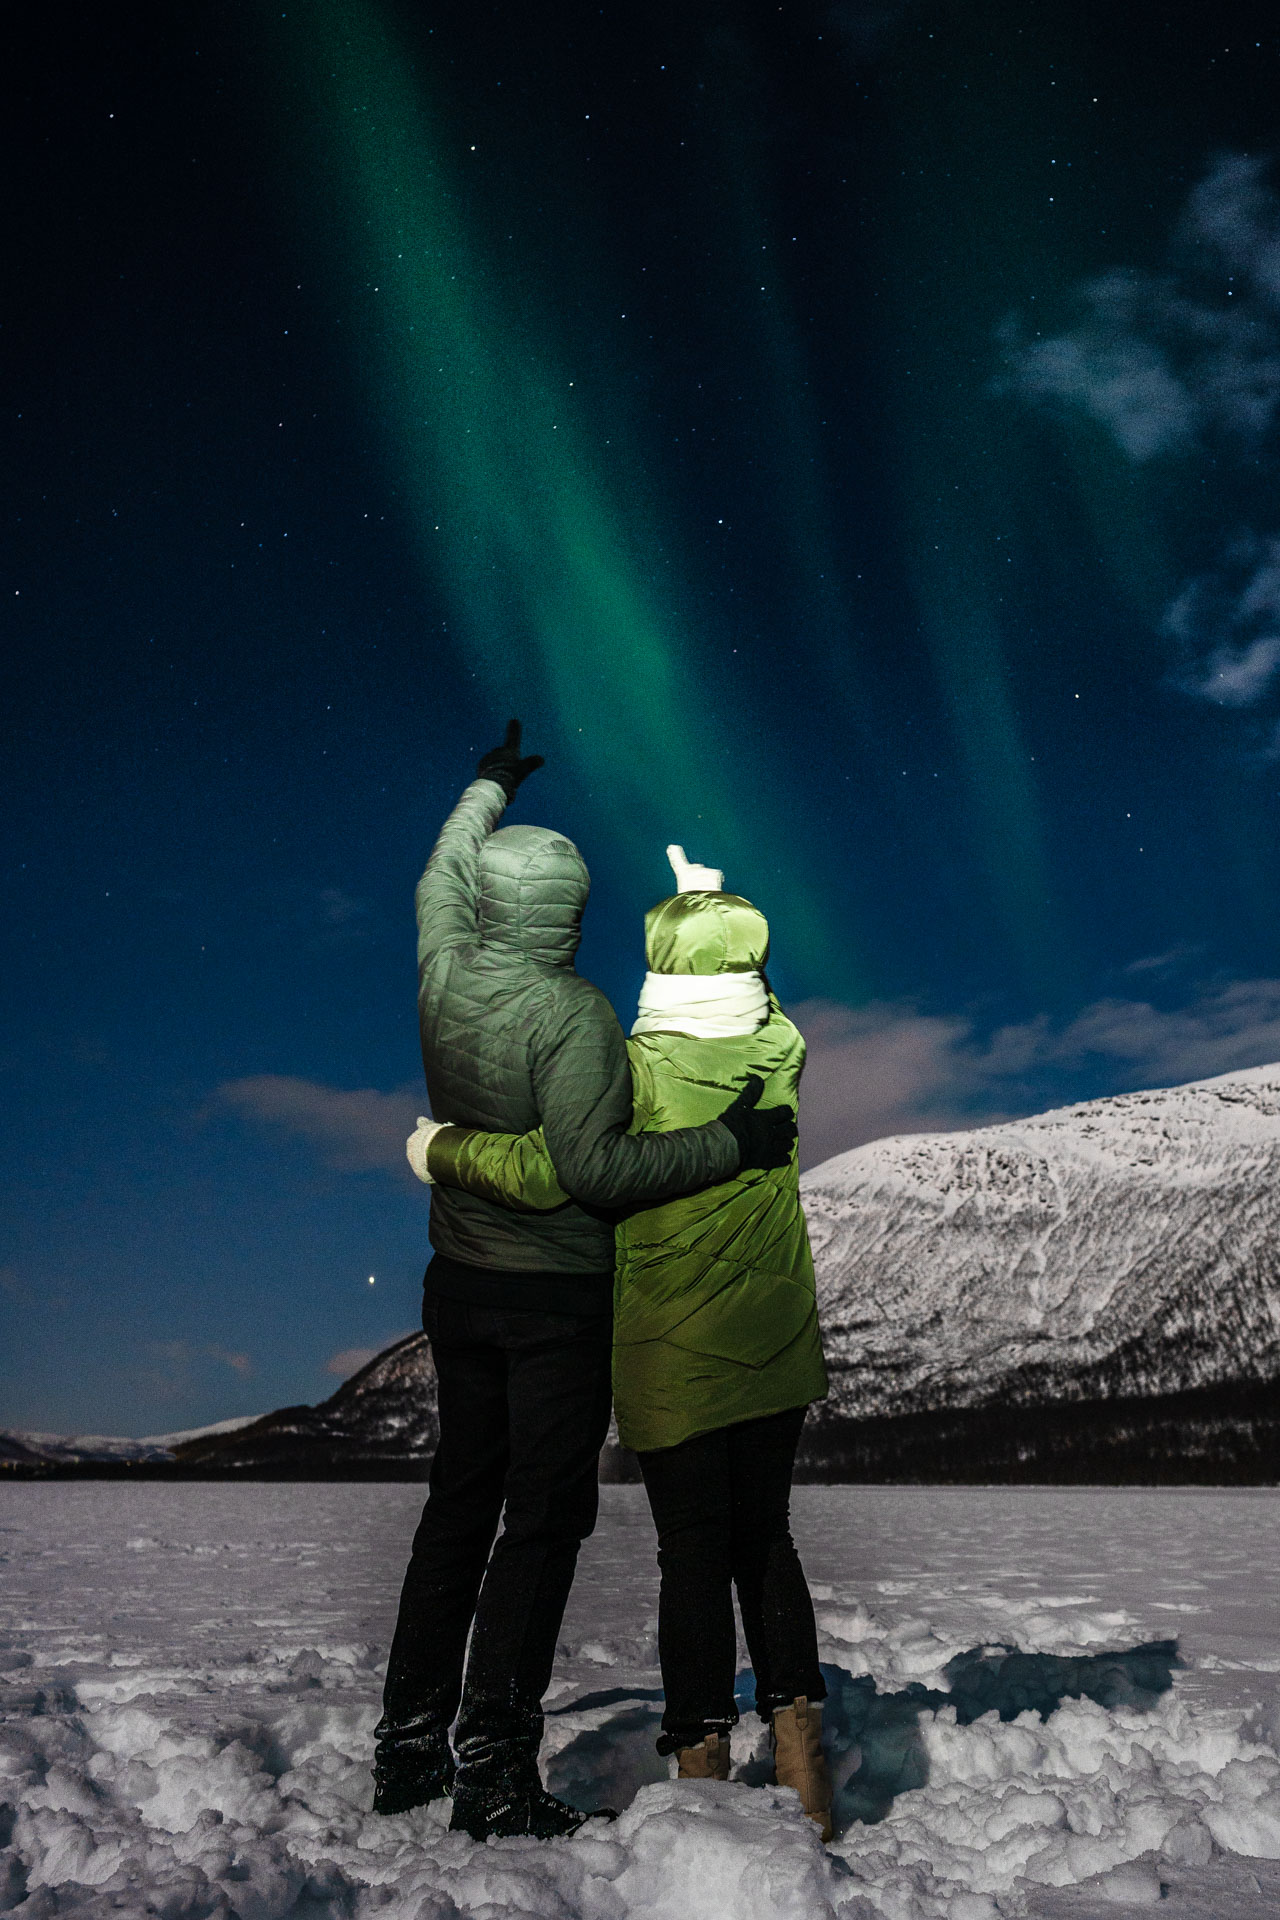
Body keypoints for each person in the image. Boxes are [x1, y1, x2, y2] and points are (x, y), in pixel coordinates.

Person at [375, 725, 797, 1841]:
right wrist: (734, 1143)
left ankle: (408, 1747)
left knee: (456, 1507)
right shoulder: (573, 1016)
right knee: (542, 1521)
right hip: (554, 1302)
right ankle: (495, 1770)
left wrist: (487, 784)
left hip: (456, 1286)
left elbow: (438, 873)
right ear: (567, 913)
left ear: (485, 900)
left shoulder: (442, 965)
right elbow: (593, 1172)